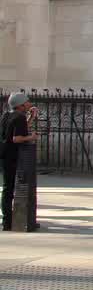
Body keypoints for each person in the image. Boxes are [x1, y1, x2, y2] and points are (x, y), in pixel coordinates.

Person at [2, 92, 38, 231]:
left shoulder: (7, 115)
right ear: (20, 105)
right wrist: (31, 137)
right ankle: (12, 221)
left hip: (5, 155)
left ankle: (7, 220)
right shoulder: (20, 117)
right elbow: (17, 138)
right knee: (12, 188)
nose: (29, 103)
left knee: (7, 188)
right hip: (14, 156)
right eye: (27, 102)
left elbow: (17, 130)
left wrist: (31, 118)